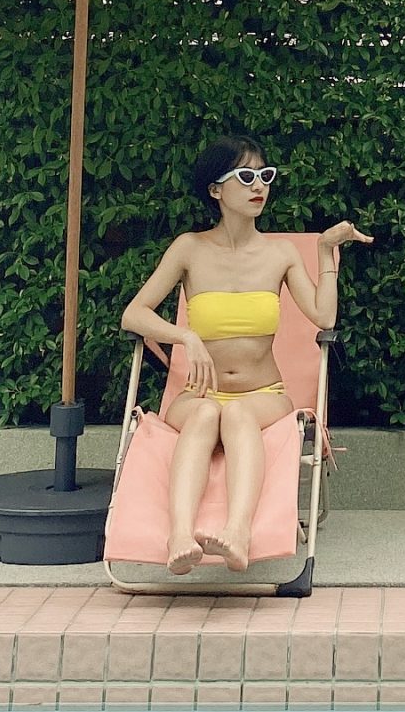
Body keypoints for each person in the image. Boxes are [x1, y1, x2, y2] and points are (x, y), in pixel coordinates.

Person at [122, 132, 370, 573]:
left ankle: (238, 532)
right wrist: (186, 337)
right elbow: (134, 315)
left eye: (265, 176)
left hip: (263, 395)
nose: (259, 186)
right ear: (215, 189)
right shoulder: (189, 249)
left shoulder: (280, 254)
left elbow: (324, 316)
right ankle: (179, 536)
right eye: (246, 176)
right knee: (205, 414)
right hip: (199, 395)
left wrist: (325, 251)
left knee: (236, 415)